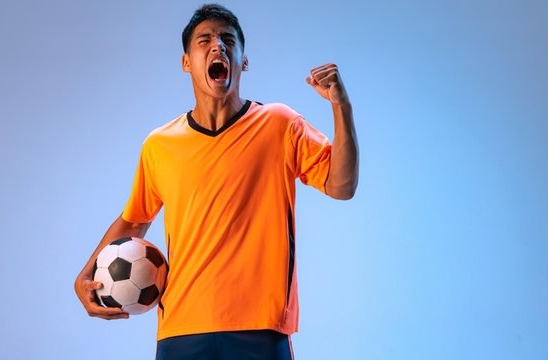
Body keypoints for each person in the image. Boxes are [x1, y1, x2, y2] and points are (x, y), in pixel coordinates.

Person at [75, 3, 359, 359]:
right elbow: (134, 221)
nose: (217, 46)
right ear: (186, 62)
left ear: (243, 61)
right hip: (181, 328)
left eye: (227, 40)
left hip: (260, 327)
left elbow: (342, 185)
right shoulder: (160, 144)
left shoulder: (279, 124)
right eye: (204, 40)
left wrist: (340, 106)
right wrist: (83, 277)